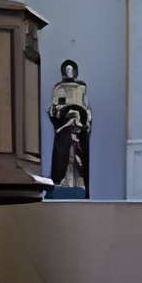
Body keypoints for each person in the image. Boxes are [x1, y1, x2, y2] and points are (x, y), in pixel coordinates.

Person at [48, 59, 92, 197]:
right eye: (66, 70)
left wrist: (85, 118)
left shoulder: (81, 88)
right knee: (63, 155)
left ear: (75, 71)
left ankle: (79, 183)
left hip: (79, 127)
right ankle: (62, 182)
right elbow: (54, 108)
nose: (69, 72)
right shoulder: (59, 88)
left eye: (71, 69)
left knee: (78, 157)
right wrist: (59, 111)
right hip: (64, 127)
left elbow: (86, 107)